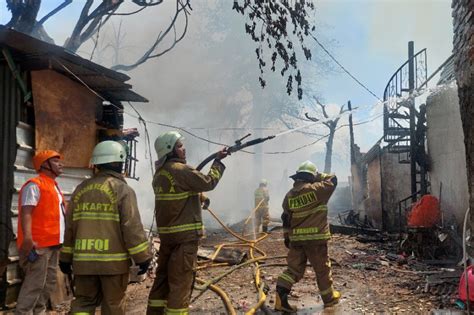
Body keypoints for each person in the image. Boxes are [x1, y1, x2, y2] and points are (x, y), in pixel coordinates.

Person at [59, 141, 152, 315]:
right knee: (113, 304)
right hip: (113, 265)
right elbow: (131, 227)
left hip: (83, 263)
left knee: (83, 303)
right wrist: (142, 257)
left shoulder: (80, 190)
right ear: (120, 162)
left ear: (97, 163)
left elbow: (70, 227)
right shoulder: (123, 190)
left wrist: (65, 257)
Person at [147, 131, 229, 315]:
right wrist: (218, 161)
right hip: (184, 240)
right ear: (170, 150)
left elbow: (177, 195)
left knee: (162, 281)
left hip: (168, 238)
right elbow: (208, 181)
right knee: (180, 283)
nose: (183, 149)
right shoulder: (181, 170)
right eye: (179, 146)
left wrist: (198, 196)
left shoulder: (160, 174)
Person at [275, 160, 340, 312]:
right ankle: (329, 298)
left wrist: (287, 237)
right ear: (311, 177)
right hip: (315, 239)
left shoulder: (289, 196)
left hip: (296, 239)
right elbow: (333, 179)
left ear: (297, 178)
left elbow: (285, 218)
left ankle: (281, 300)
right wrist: (319, 176)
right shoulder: (318, 189)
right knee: (322, 269)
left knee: (293, 270)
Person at [15, 150, 65, 315]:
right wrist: (28, 239)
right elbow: (26, 211)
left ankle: (39, 312)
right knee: (34, 285)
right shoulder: (34, 185)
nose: (61, 164)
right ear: (45, 165)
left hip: (53, 244)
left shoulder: (54, 186)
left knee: (48, 283)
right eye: (56, 162)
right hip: (38, 245)